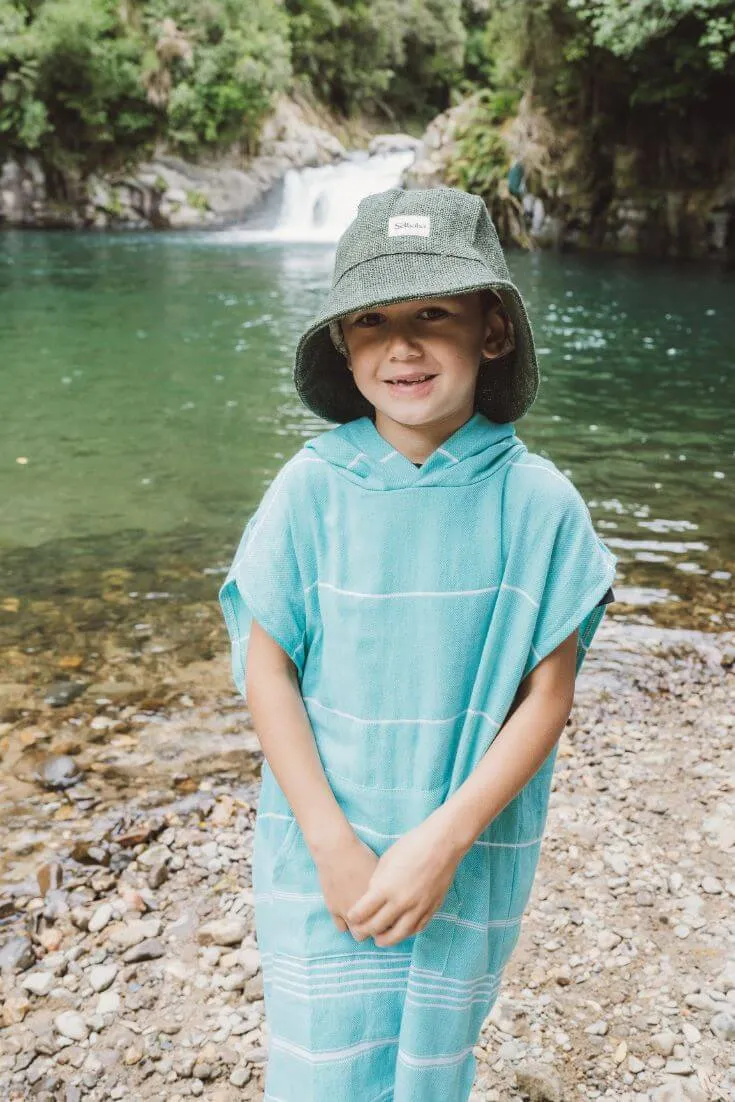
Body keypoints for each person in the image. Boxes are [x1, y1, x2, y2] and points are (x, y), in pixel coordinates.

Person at [218, 186, 617, 1101]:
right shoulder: (308, 489)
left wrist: (444, 840)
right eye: (371, 319)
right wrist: (328, 841)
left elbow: (544, 697)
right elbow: (267, 666)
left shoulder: (540, 503)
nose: (401, 345)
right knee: (322, 1062)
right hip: (319, 837)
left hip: (467, 845)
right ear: (342, 345)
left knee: (431, 1062)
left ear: (492, 330)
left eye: (432, 312)